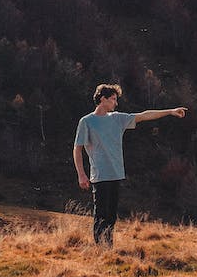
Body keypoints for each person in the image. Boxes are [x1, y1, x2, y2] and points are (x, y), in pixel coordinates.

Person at [73, 83, 188, 246]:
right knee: (101, 215)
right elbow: (77, 149)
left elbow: (143, 115)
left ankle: (108, 249)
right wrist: (81, 174)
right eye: (113, 99)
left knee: (111, 216)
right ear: (103, 99)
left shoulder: (118, 118)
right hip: (99, 175)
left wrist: (170, 111)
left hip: (116, 174)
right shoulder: (87, 121)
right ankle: (100, 250)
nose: (116, 103)